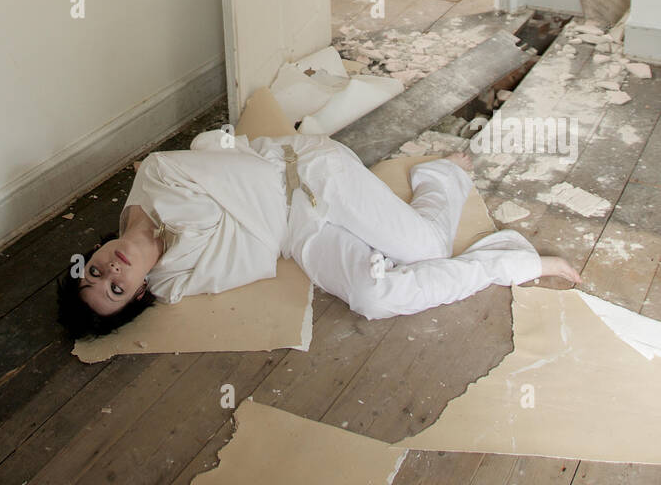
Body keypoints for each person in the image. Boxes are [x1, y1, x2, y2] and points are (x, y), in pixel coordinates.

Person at [56, 128, 580, 339]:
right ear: (140, 294)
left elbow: (239, 167)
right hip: (297, 235)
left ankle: (453, 186)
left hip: (308, 173)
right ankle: (490, 242)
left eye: (97, 272)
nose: (113, 272)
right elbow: (258, 248)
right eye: (117, 290)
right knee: (373, 297)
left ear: (93, 254)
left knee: (428, 248)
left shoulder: (155, 177)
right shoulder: (173, 280)